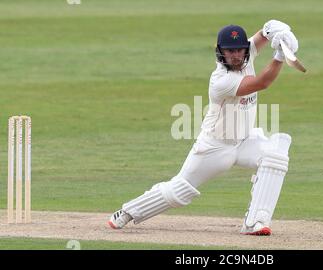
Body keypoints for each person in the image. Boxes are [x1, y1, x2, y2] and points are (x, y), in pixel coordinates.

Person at [108, 20, 299, 236]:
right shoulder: (221, 80)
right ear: (220, 52)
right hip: (215, 147)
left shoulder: (246, 55)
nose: (235, 55)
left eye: (239, 50)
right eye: (230, 51)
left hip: (244, 141)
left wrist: (273, 31)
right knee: (179, 191)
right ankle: (128, 211)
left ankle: (255, 221)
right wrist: (280, 56)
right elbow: (262, 83)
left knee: (275, 156)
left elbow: (259, 38)